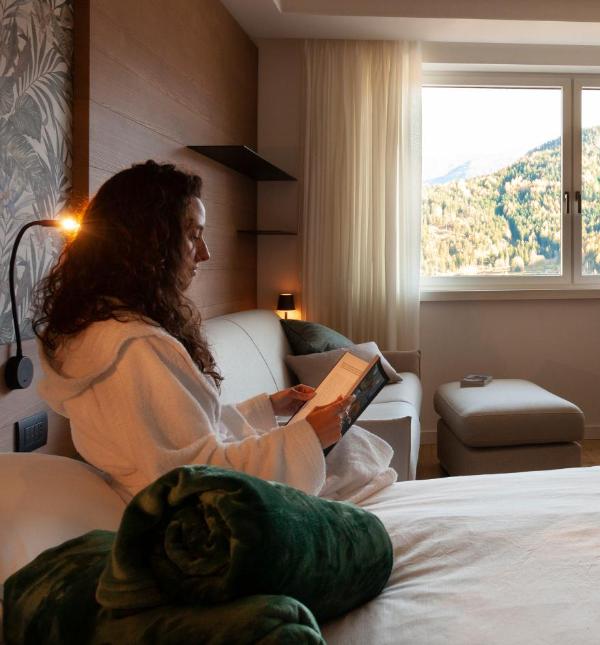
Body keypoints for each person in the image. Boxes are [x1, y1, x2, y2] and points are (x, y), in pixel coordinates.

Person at [34, 161, 364, 502]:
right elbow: (201, 477)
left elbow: (184, 440)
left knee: (354, 452)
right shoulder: (136, 351)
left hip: (176, 505)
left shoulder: (103, 333)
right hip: (200, 524)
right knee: (353, 459)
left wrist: (267, 407)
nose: (205, 253)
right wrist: (309, 436)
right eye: (193, 236)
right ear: (150, 243)